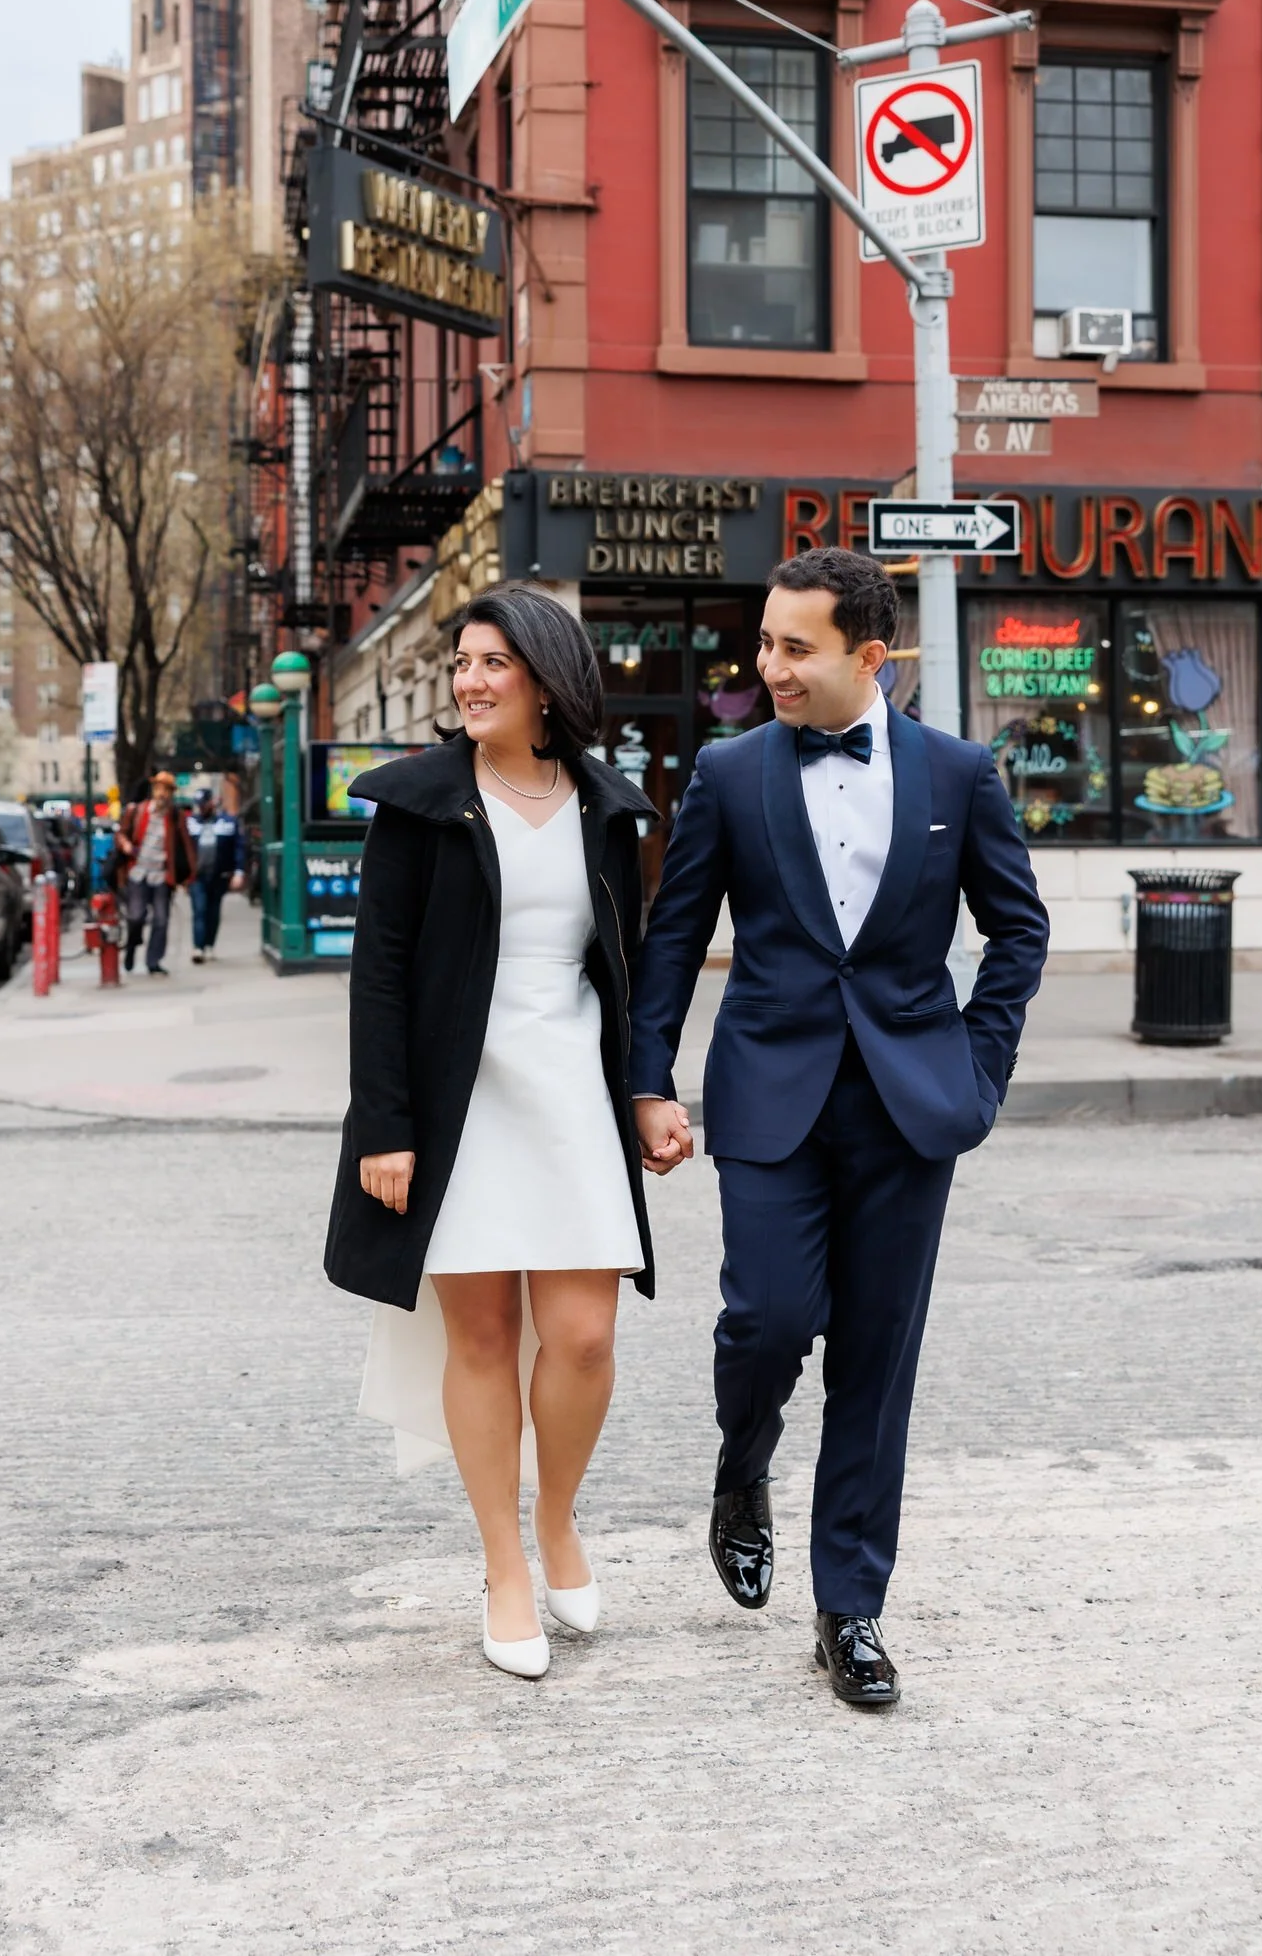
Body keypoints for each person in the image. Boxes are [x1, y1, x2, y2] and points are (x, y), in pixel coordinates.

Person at [630, 547, 1049, 1709]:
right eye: (763, 642)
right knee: (764, 1319)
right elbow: (672, 938)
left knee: (876, 1358)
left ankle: (849, 1606)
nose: (767, 665)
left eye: (793, 647)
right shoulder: (728, 770)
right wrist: (649, 1080)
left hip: (912, 1105)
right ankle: (741, 1465)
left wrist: (978, 1067)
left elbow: (1018, 932)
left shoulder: (959, 774)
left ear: (870, 656)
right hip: (769, 1092)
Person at [323, 584, 685, 1681]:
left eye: (492, 663)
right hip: (453, 1098)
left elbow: (616, 971)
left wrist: (643, 1092)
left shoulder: (605, 808)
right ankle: (503, 1563)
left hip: (570, 1090)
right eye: (463, 663)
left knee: (582, 1336)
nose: (470, 681)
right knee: (480, 1337)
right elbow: (378, 973)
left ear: (545, 679)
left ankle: (559, 1517)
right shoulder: (420, 802)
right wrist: (384, 1124)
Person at [117, 770, 194, 975]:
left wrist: (188, 876)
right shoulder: (137, 811)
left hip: (161, 875)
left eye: (167, 790)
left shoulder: (175, 817)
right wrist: (125, 845)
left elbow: (186, 846)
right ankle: (132, 947)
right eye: (159, 789)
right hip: (138, 872)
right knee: (136, 916)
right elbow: (121, 834)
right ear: (153, 790)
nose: (163, 794)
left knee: (161, 919)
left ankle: (153, 961)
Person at [186, 785, 245, 962]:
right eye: (199, 805)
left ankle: (209, 945)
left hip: (220, 873)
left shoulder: (227, 822)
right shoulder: (190, 823)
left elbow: (238, 848)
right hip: (197, 875)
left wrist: (239, 871)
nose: (202, 808)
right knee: (200, 909)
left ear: (212, 803)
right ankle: (198, 947)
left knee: (213, 911)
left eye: (204, 804)